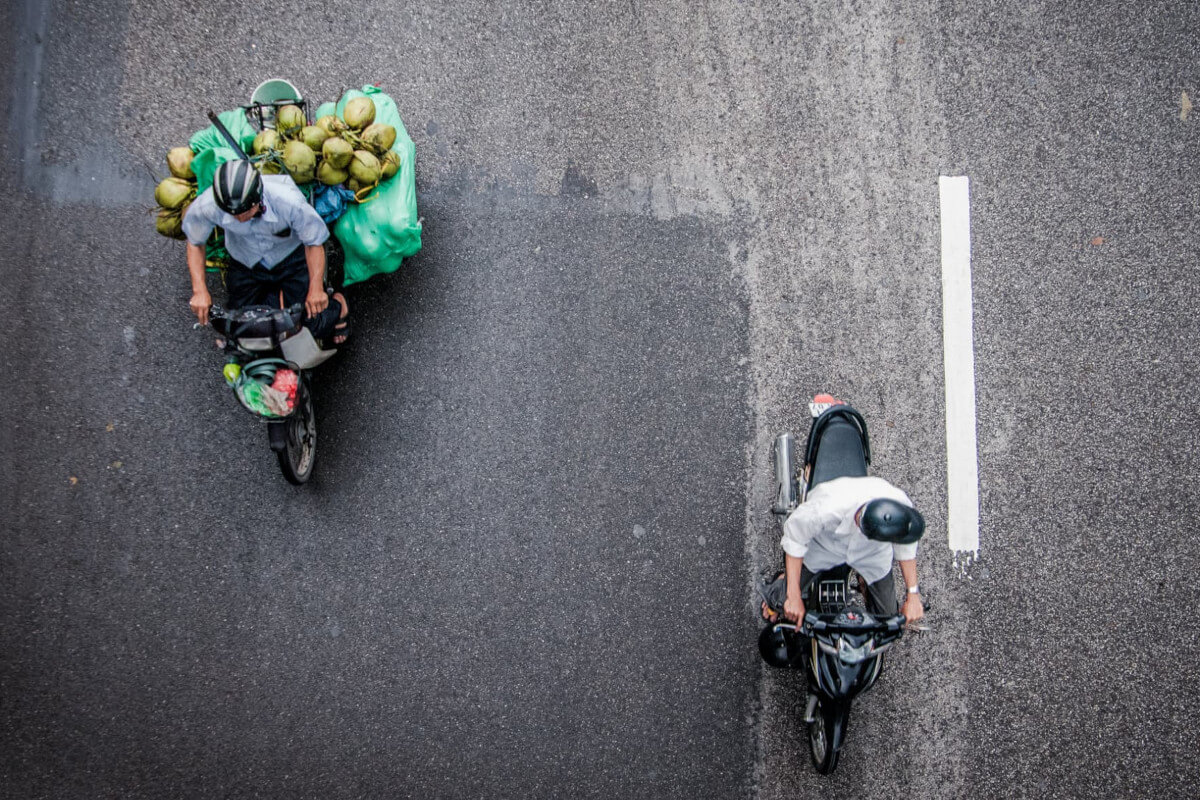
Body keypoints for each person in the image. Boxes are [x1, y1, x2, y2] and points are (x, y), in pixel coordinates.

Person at [181, 159, 350, 343]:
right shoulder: (208, 205)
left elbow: (313, 242)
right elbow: (195, 243)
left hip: (291, 259)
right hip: (245, 261)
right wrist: (199, 290)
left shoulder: (288, 201)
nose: (240, 218)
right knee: (239, 326)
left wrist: (316, 289)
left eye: (246, 211)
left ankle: (339, 306)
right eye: (233, 214)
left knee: (310, 324)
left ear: (258, 197)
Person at [761, 476, 926, 625]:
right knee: (782, 601)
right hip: (824, 547)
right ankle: (780, 581)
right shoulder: (825, 509)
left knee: (889, 620)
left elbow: (906, 547)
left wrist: (913, 595)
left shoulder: (901, 507)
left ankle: (865, 582)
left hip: (872, 555)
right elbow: (795, 538)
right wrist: (793, 596)